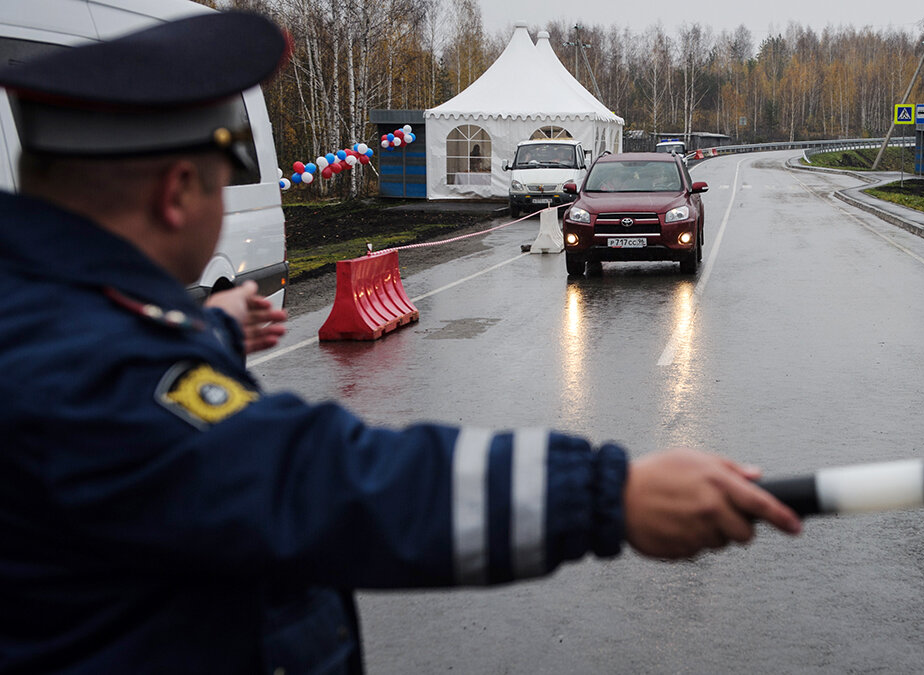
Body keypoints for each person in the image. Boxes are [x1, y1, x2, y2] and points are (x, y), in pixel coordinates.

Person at [0, 11, 801, 674]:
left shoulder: (48, 311)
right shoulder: (87, 371)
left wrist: (205, 327)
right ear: (179, 194)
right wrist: (607, 495)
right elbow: (327, 478)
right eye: (222, 183)